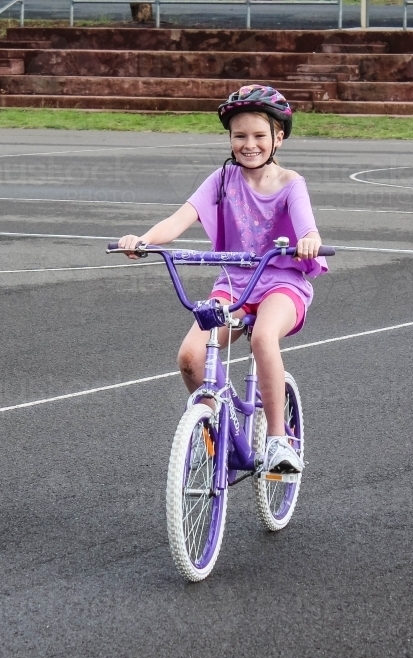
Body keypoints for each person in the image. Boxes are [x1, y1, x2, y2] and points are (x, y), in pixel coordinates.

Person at [117, 84, 328, 474]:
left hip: (281, 282)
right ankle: (216, 433)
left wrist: (309, 242)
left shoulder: (291, 184)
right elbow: (179, 219)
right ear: (229, 139)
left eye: (260, 135)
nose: (249, 144)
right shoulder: (221, 180)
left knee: (264, 337)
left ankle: (280, 440)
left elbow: (307, 228)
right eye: (240, 136)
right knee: (190, 357)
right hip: (233, 284)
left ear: (278, 137)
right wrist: (144, 240)